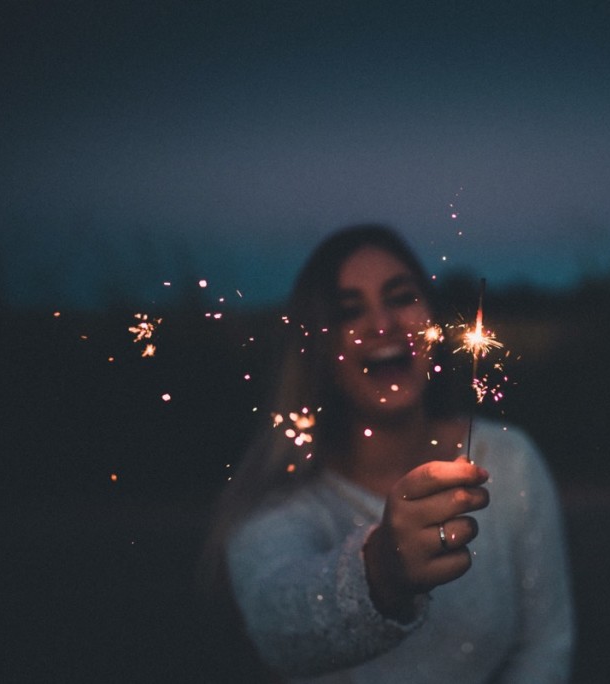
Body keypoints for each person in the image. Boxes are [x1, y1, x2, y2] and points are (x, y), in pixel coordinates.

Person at [203, 225, 574, 682]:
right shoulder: (279, 500)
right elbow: (278, 626)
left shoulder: (507, 459)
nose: (382, 324)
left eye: (400, 297)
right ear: (318, 345)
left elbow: (546, 644)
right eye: (348, 311)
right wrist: (380, 572)